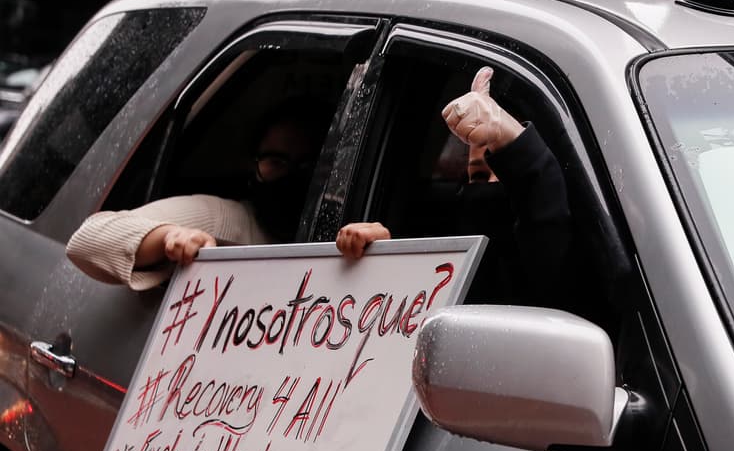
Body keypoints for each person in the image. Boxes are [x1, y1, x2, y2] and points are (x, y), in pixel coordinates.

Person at [66, 99, 379, 290]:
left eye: (309, 165)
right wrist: (169, 238)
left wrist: (381, 254)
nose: (291, 176)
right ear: (253, 165)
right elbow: (88, 238)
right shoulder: (225, 220)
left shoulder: (351, 228)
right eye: (276, 162)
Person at [348, 65, 573, 306]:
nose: (488, 188)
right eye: (477, 176)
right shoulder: (447, 261)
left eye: (505, 176)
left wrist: (517, 146)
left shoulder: (568, 272)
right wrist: (382, 254)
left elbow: (545, 228)